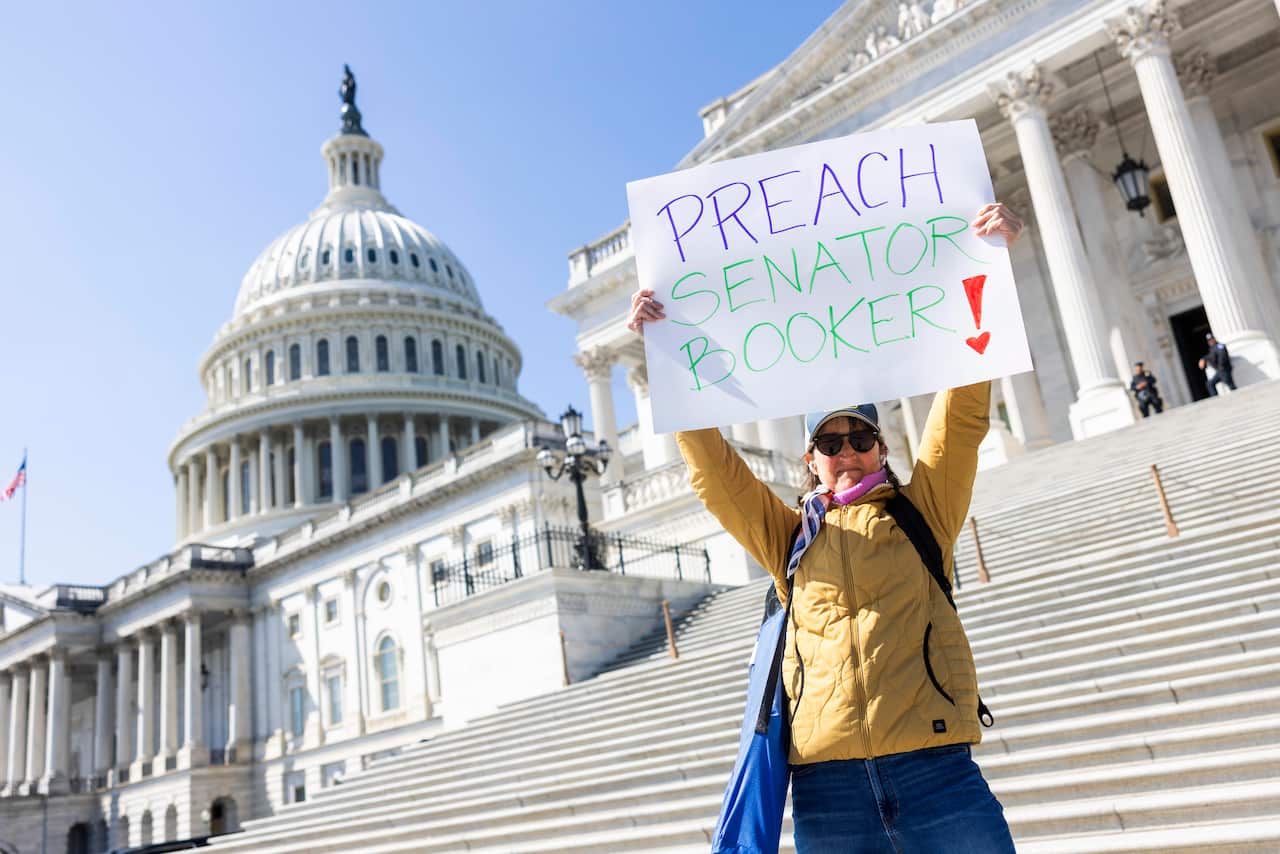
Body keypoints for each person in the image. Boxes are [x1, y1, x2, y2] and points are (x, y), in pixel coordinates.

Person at [626, 203, 1022, 852]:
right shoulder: (787, 538)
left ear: (882, 447)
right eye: (830, 440)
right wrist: (663, 358)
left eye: (861, 435)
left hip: (935, 769)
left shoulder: (924, 510)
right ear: (809, 459)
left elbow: (961, 415)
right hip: (827, 788)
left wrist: (988, 266)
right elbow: (719, 478)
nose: (847, 450)